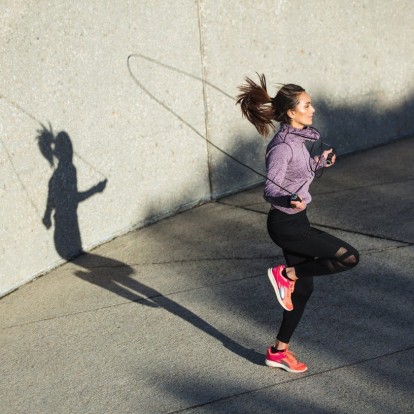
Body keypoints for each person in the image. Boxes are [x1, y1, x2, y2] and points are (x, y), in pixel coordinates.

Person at [236, 74, 359, 373]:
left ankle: (278, 352)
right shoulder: (281, 147)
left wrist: (320, 162)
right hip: (287, 225)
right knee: (349, 257)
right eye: (307, 105)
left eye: (311, 103)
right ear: (291, 112)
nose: (313, 109)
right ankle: (285, 274)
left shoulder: (305, 137)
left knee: (303, 292)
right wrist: (288, 198)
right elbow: (271, 190)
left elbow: (302, 171)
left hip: (296, 220)